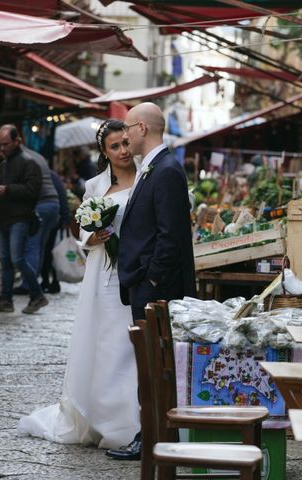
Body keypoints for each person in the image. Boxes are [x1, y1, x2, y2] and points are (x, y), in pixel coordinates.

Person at [17, 119, 140, 448]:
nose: (123, 151)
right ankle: (96, 415)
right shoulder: (95, 185)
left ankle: (127, 419)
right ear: (104, 152)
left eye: (126, 143)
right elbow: (83, 228)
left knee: (126, 343)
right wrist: (93, 235)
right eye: (114, 146)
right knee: (100, 339)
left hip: (131, 271)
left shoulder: (146, 178)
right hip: (101, 271)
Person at [107, 102, 196, 461]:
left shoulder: (167, 171)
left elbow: (170, 236)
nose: (124, 135)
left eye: (128, 128)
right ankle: (150, 435)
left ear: (142, 128)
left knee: (156, 368)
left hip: (154, 290)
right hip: (146, 286)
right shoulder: (154, 168)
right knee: (151, 367)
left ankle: (152, 439)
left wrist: (153, 282)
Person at [0, 125, 48, 314]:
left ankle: (37, 295)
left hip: (20, 218)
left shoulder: (29, 163)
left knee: (16, 258)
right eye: (0, 145)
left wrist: (5, 189)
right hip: (4, 218)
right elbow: (2, 188)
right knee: (6, 260)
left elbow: (32, 191)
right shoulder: (4, 165)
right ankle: (6, 300)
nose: (2, 148)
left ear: (17, 141)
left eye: (6, 144)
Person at [13, 141, 60, 295]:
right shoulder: (36, 156)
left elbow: (28, 188)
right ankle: (33, 283)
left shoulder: (23, 159)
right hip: (53, 204)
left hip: (41, 205)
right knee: (39, 246)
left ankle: (28, 285)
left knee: (32, 246)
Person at [40, 169, 70, 294]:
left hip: (52, 219)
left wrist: (65, 217)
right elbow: (62, 194)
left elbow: (61, 195)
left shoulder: (48, 175)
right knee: (49, 250)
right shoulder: (51, 174)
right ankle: (48, 281)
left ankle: (50, 281)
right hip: (55, 218)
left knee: (48, 251)